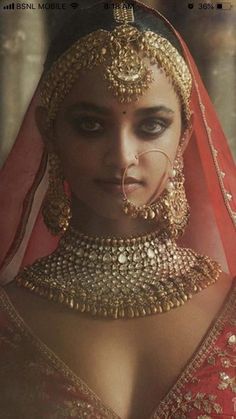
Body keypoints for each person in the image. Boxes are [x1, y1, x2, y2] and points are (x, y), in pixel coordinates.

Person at [0, 1, 235, 418]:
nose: (122, 156)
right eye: (91, 125)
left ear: (185, 135)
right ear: (49, 129)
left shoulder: (228, 307)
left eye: (150, 126)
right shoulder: (9, 319)